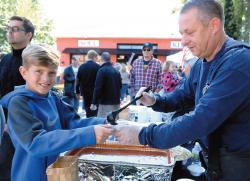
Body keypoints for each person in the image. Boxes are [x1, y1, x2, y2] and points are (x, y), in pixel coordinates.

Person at [114, 1, 250, 181]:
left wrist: (142, 135)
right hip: (216, 163)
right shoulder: (201, 63)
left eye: (190, 32)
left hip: (239, 165)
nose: (183, 41)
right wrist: (155, 100)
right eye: (181, 33)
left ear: (214, 26)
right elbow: (183, 96)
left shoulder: (238, 62)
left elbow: (201, 120)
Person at [0, 44, 113, 181]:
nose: (46, 79)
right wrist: (90, 133)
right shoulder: (18, 103)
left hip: (55, 173)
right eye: (39, 71)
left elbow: (73, 123)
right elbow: (36, 143)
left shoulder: (53, 97)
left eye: (51, 73)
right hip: (29, 175)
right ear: (24, 72)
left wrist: (105, 122)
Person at [0, 15, 35, 181]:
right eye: (9, 29)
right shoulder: (5, 59)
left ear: (28, 35)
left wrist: (12, 121)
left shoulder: (34, 60)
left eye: (15, 29)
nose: (10, 32)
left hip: (22, 126)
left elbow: (33, 94)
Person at [90, 52, 122, 118]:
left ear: (101, 60)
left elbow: (98, 88)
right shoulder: (116, 71)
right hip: (116, 102)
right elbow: (120, 86)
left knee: (103, 123)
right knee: (114, 123)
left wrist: (94, 102)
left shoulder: (101, 70)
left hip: (105, 103)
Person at [76, 50, 100, 117]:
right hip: (95, 92)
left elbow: (78, 80)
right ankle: (94, 122)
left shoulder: (81, 66)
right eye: (97, 58)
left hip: (85, 92)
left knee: (87, 108)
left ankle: (89, 120)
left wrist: (77, 91)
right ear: (94, 57)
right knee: (95, 109)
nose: (97, 59)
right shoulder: (98, 67)